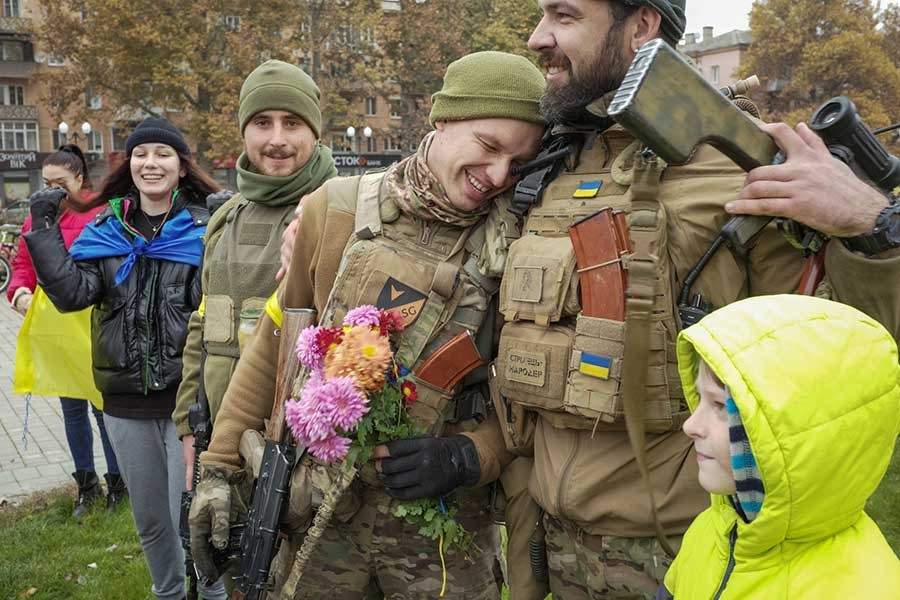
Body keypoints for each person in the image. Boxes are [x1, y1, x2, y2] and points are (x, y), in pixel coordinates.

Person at [486, 1, 900, 598]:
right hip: (553, 542)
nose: (537, 36)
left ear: (642, 25)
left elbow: (851, 357)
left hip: (681, 551)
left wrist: (869, 224)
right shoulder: (550, 167)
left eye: (565, 15)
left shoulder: (745, 175)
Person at [190, 51, 546, 599]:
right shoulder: (337, 209)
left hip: (442, 536)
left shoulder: (519, 246)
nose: (497, 175)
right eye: (489, 146)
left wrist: (469, 456)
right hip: (321, 518)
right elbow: (276, 343)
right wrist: (218, 467)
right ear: (443, 121)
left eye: (517, 163)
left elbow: (527, 399)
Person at [23, 119, 228, 600]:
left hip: (189, 405)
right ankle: (168, 594)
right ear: (128, 164)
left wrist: (224, 237)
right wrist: (45, 231)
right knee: (152, 522)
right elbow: (74, 294)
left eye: (163, 154)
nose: (150, 163)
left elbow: (215, 300)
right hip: (124, 405)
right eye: (141, 154)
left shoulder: (203, 228)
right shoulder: (105, 229)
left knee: (198, 520)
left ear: (181, 168)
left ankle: (215, 595)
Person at [654, 294, 900, 599]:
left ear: (794, 434)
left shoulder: (865, 589)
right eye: (700, 398)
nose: (689, 425)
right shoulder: (714, 530)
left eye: (719, 405)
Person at [173, 59, 337, 490]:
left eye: (293, 123)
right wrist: (189, 425)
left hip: (301, 446)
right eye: (262, 122)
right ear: (244, 132)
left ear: (315, 132)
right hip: (219, 437)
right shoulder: (226, 219)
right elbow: (203, 326)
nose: (277, 139)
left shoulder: (340, 213)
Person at [10, 145, 123, 517]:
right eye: (47, 184)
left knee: (102, 409)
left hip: (93, 329)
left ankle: (117, 485)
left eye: (61, 184)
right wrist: (20, 292)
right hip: (57, 334)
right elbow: (23, 262)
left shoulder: (99, 214)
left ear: (80, 180)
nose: (54, 193)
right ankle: (86, 486)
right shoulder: (36, 218)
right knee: (72, 410)